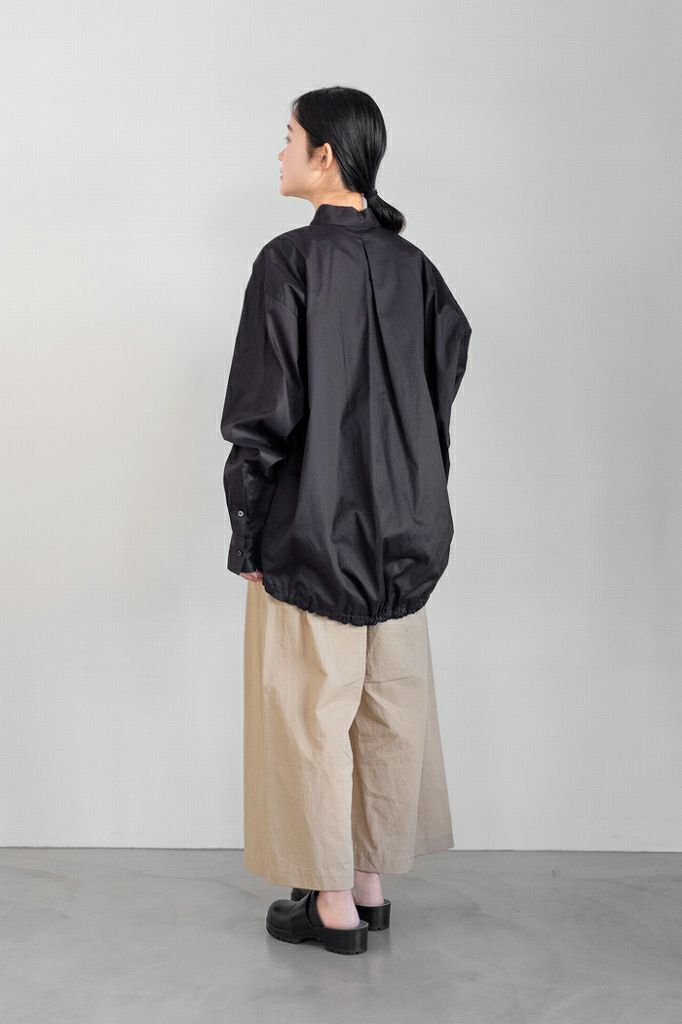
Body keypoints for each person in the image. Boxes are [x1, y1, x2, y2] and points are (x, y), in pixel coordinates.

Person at [220, 86, 472, 955]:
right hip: (407, 534)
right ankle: (369, 883)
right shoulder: (415, 268)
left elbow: (262, 412)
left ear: (326, 155)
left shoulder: (287, 262)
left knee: (310, 715)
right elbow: (441, 391)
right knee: (385, 711)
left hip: (311, 533)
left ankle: (329, 904)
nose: (279, 151)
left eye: (289, 137)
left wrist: (247, 531)